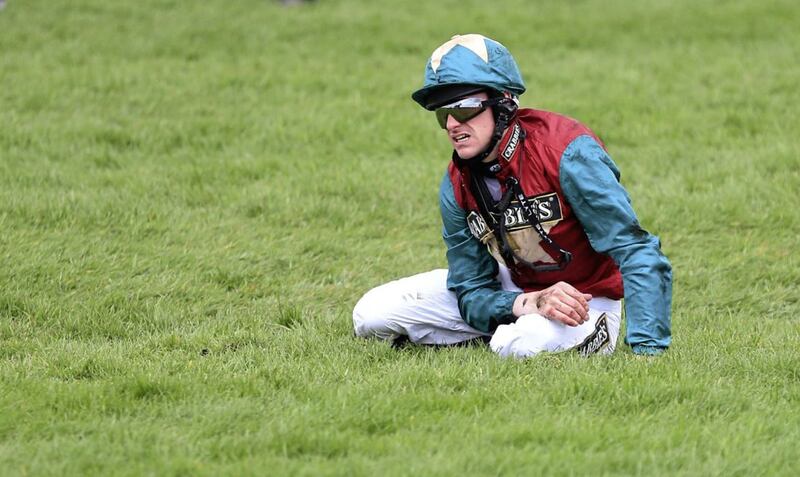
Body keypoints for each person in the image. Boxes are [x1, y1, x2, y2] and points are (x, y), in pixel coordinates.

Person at [353, 34, 672, 357]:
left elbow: (636, 249)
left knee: (517, 345)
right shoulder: (455, 182)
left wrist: (647, 350)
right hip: (517, 289)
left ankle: (525, 334)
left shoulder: (568, 152)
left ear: (504, 103)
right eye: (442, 113)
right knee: (371, 315)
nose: (451, 124)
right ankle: (506, 327)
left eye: (463, 109)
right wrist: (526, 303)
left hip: (585, 299)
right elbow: (471, 286)